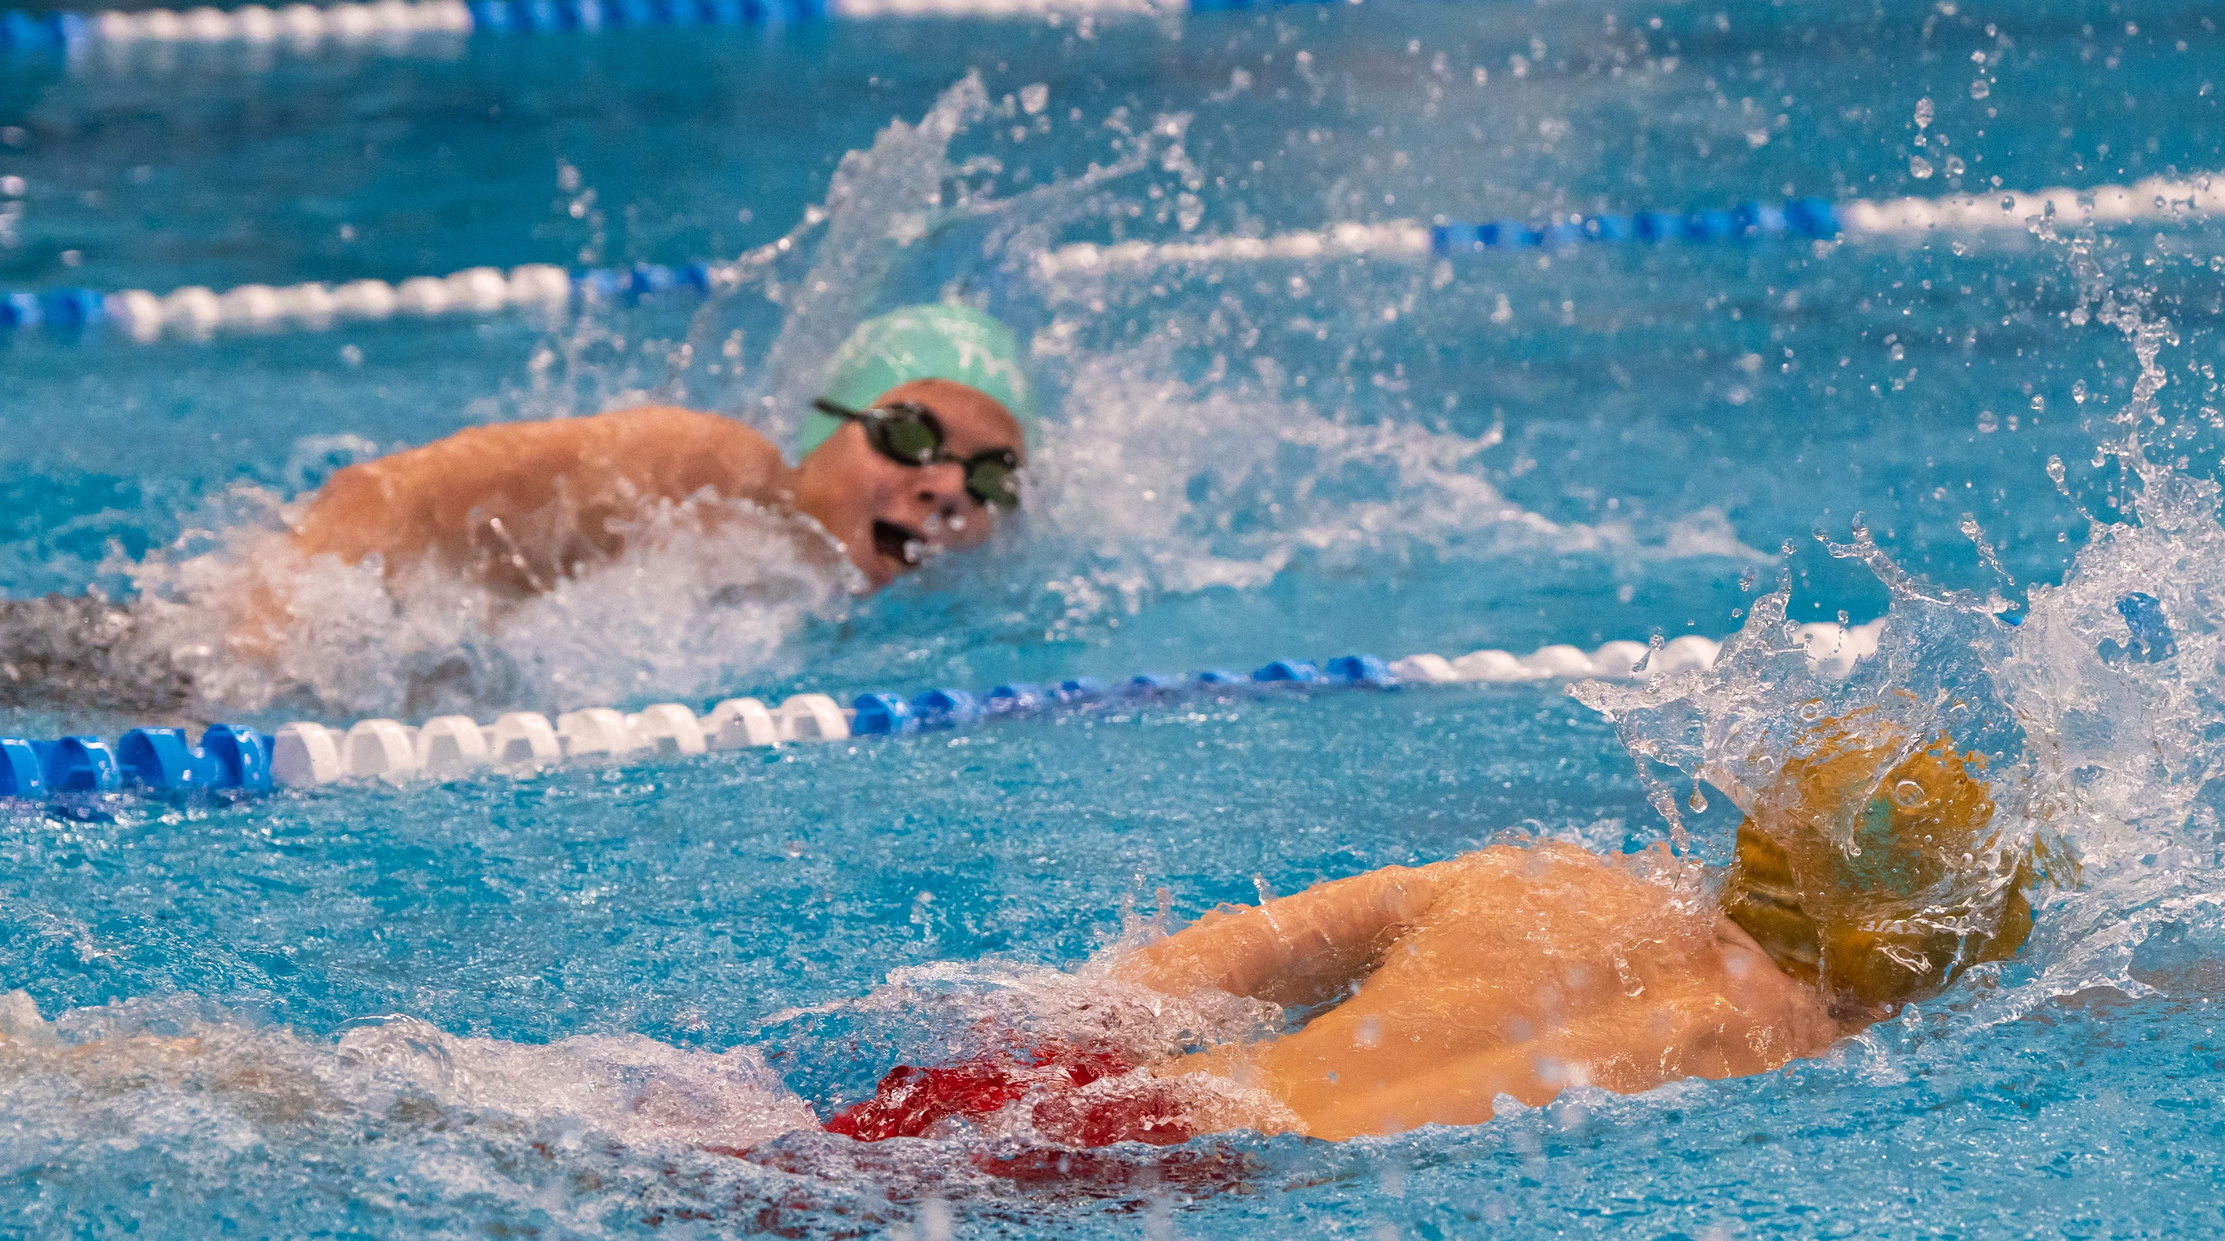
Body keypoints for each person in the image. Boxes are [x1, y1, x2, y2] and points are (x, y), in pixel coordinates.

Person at [824, 719, 2041, 1146]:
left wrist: (1044, 1045)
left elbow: (1198, 966)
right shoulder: (1800, 1040)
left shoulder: (1540, 878)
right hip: (1212, 1174)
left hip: (1103, 1092)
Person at [0, 303, 1034, 712]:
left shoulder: (833, 601)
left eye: (987, 477)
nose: (945, 486)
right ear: (828, 423)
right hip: (239, 658)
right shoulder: (712, 470)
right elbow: (387, 492)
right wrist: (262, 646)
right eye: (909, 435)